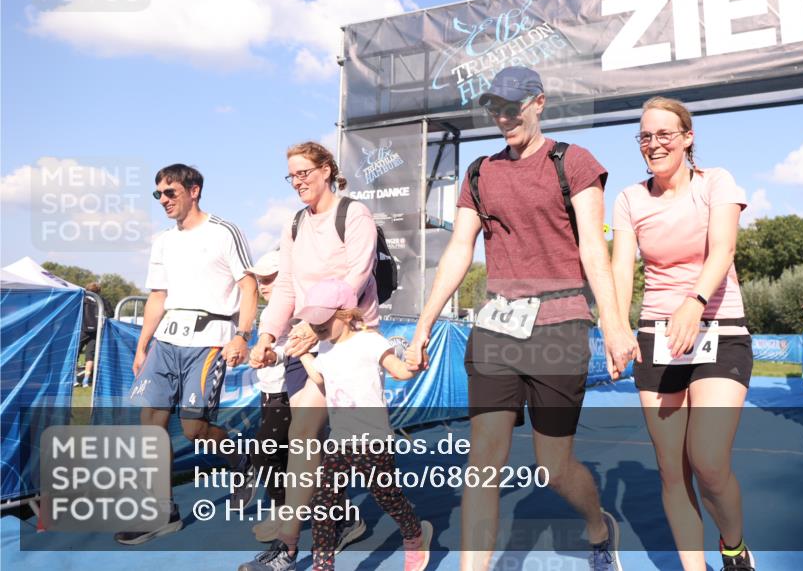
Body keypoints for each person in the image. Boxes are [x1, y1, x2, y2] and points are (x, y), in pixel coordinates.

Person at [406, 66, 637, 571]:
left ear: (539, 103)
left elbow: (594, 248)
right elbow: (459, 250)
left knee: (553, 466)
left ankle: (599, 527)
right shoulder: (479, 173)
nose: (504, 117)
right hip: (496, 329)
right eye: (496, 109)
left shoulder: (573, 162)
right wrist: (424, 324)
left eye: (513, 107)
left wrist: (615, 322)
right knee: (483, 461)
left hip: (561, 327)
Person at [610, 97, 755, 571]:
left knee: (708, 460)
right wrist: (617, 327)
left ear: (687, 138)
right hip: (658, 337)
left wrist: (694, 302)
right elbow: (621, 268)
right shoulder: (630, 199)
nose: (654, 144)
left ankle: (733, 549)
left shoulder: (716, 182)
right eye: (645, 136)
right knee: (673, 471)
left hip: (718, 327)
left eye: (664, 134)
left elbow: (723, 250)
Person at [241, 142, 375, 570]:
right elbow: (285, 287)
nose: (297, 181)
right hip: (305, 342)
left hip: (348, 339)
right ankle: (290, 546)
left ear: (327, 170)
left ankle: (406, 527)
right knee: (304, 436)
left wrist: (315, 325)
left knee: (363, 452)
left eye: (304, 172)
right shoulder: (295, 224)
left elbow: (356, 279)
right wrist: (266, 335)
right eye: (292, 175)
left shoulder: (354, 214)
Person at [117, 163, 258, 545]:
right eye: (158, 194)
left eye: (170, 192)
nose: (163, 200)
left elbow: (249, 287)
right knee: (150, 424)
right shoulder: (163, 241)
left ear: (194, 191)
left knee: (195, 430)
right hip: (166, 342)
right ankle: (162, 512)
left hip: (209, 341)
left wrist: (242, 335)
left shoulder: (224, 231)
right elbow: (157, 296)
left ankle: (241, 458)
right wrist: (143, 345)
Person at [295, 278, 431, 571]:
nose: (316, 325)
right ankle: (323, 565)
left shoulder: (371, 341)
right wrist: (304, 354)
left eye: (323, 318)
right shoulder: (325, 348)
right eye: (312, 319)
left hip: (372, 441)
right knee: (323, 504)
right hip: (339, 441)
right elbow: (319, 378)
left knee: (388, 497)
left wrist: (415, 365)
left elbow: (400, 371)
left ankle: (414, 535)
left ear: (346, 315)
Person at [243, 250, 292, 542]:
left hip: (292, 393)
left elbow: (301, 347)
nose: (262, 285)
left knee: (264, 452)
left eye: (270, 279)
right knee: (283, 456)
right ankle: (281, 512)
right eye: (260, 280)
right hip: (270, 392)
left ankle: (284, 512)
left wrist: (274, 356)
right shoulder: (267, 315)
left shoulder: (296, 309)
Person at [75, 282, 109, 387]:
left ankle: (74, 379)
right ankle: (86, 380)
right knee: (90, 356)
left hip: (82, 329)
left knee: (75, 354)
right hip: (96, 331)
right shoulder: (102, 301)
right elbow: (111, 314)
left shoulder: (81, 300)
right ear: (99, 291)